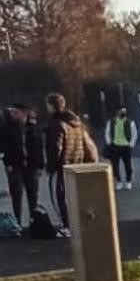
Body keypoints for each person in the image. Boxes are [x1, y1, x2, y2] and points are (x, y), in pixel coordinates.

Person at [44, 93, 99, 226]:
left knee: (60, 198)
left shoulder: (56, 124)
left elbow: (56, 147)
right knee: (75, 196)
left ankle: (68, 224)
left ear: (51, 106)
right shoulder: (76, 123)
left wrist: (51, 166)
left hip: (62, 165)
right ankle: (79, 223)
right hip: (77, 163)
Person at [2, 103, 44, 227]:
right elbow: (4, 146)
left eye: (16, 112)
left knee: (33, 195)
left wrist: (40, 165)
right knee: (16, 194)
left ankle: (34, 222)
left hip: (31, 165)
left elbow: (39, 147)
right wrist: (7, 163)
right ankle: (17, 222)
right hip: (15, 165)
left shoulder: (32, 128)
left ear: (23, 113)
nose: (13, 115)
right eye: (12, 112)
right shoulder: (7, 127)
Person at [103, 107, 138, 191]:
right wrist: (109, 142)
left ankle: (128, 181)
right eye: (121, 111)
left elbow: (134, 133)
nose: (123, 112)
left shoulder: (130, 122)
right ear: (117, 112)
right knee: (115, 165)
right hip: (115, 146)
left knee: (128, 165)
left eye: (124, 111)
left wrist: (131, 144)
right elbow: (107, 132)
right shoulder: (111, 122)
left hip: (126, 146)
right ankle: (119, 181)